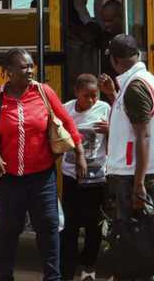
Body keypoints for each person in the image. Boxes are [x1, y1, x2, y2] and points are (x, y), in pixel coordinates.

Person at [0, 48, 87, 281]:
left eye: (31, 65)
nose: (30, 70)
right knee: (7, 232)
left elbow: (68, 123)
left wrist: (80, 153)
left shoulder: (44, 93)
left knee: (49, 229)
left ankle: (52, 277)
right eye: (24, 67)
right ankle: (5, 277)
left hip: (42, 178)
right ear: (9, 72)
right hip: (8, 180)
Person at [99, 34, 154, 281]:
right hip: (137, 173)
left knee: (139, 242)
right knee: (140, 241)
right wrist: (112, 96)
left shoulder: (135, 87)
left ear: (116, 61)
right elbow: (132, 122)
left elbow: (144, 136)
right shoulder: (141, 80)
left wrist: (138, 184)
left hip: (135, 175)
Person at [59, 74, 109, 281]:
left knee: (93, 226)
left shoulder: (105, 109)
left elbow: (122, 136)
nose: (91, 100)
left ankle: (88, 268)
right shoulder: (66, 109)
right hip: (71, 177)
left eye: (94, 96)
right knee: (69, 226)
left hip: (97, 179)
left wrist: (111, 129)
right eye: (86, 95)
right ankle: (66, 270)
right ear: (76, 93)